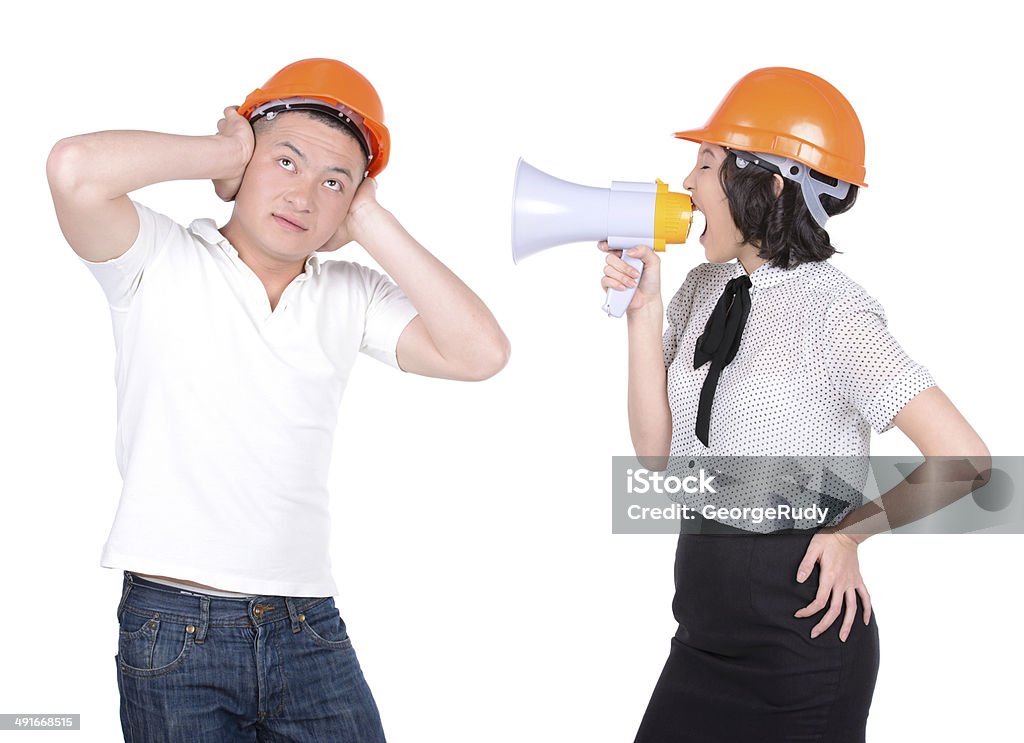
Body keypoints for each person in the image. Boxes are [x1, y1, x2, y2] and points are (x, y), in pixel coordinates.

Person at [46, 58, 509, 742]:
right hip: (175, 626)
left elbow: (482, 353)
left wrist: (372, 219)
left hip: (307, 624)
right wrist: (226, 151)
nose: (304, 196)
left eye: (332, 183)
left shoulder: (348, 292)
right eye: (285, 162)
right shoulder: (157, 258)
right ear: (246, 163)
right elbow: (73, 169)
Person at [599, 67, 989, 742]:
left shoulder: (835, 314)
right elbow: (659, 458)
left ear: (768, 183)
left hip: (801, 658)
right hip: (700, 639)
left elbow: (967, 460)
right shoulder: (700, 287)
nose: (687, 184)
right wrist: (643, 307)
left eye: (707, 162)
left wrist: (851, 532)